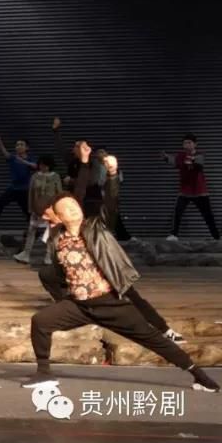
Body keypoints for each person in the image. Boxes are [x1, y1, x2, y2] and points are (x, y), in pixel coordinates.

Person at [23, 150, 217, 393]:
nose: (73, 209)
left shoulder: (95, 228)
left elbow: (110, 203)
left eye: (74, 206)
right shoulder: (57, 239)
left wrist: (112, 174)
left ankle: (199, 376)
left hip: (111, 303)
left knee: (154, 339)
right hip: (80, 305)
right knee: (41, 321)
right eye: (67, 209)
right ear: (59, 217)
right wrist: (64, 297)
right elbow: (59, 271)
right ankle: (44, 374)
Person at [37, 144, 187, 345]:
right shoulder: (55, 233)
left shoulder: (87, 223)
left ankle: (165, 330)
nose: (47, 217)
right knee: (47, 274)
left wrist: (104, 171)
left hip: (105, 266)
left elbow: (94, 195)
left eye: (49, 212)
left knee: (133, 298)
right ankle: (74, 311)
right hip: (81, 279)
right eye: (45, 215)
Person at [161, 133, 219, 241]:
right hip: (185, 191)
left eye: (189, 143)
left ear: (195, 144)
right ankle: (173, 234)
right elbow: (174, 162)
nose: (187, 145)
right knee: (177, 212)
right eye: (185, 143)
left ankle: (216, 237)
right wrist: (166, 158)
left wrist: (192, 160)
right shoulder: (180, 156)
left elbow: (199, 164)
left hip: (200, 191)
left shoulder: (199, 155)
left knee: (208, 215)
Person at [13, 155, 62, 264]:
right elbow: (31, 193)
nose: (42, 167)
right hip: (37, 207)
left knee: (52, 232)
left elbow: (59, 192)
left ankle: (49, 255)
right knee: (31, 230)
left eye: (45, 165)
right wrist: (31, 208)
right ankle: (26, 254)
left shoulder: (56, 176)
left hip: (51, 208)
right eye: (41, 165)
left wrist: (58, 208)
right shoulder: (35, 176)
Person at [0, 135, 37, 231]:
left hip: (25, 190)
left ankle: (34, 231)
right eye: (17, 145)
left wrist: (23, 161)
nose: (19, 146)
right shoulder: (13, 158)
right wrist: (0, 145)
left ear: (27, 148)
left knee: (28, 212)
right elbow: (5, 153)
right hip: (13, 188)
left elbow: (35, 166)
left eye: (21, 144)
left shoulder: (30, 159)